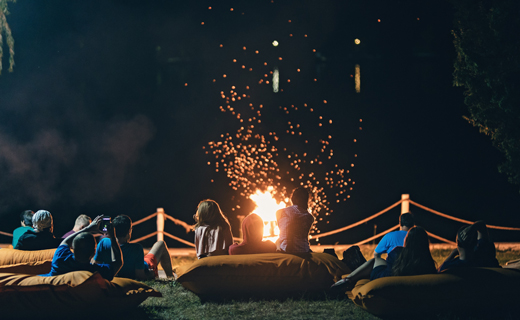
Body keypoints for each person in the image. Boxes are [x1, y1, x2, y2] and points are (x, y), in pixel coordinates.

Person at [331, 226, 437, 293]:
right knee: (380, 261)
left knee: (375, 260)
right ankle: (350, 278)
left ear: (407, 240)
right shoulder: (427, 261)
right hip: (405, 280)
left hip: (386, 278)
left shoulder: (398, 251)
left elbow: (383, 258)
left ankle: (348, 279)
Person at [94, 215, 175, 280]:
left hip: (114, 274)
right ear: (129, 231)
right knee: (161, 244)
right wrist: (150, 275)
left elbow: (97, 265)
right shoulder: (136, 248)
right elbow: (140, 276)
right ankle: (171, 277)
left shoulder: (103, 243)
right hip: (144, 267)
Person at [42, 215, 122, 280]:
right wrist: (113, 237)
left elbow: (65, 241)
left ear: (73, 247)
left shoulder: (60, 259)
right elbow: (118, 263)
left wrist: (88, 228)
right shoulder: (97, 273)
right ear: (94, 252)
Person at [341, 212, 415, 272]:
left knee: (374, 261)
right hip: (412, 270)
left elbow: (376, 254)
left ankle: (349, 278)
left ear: (400, 223)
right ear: (413, 223)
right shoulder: (418, 237)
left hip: (393, 270)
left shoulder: (390, 236)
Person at [275, 187, 315, 253]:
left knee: (277, 241)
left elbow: (282, 228)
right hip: (304, 250)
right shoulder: (310, 218)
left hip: (286, 250)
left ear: (293, 198)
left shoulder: (280, 212)